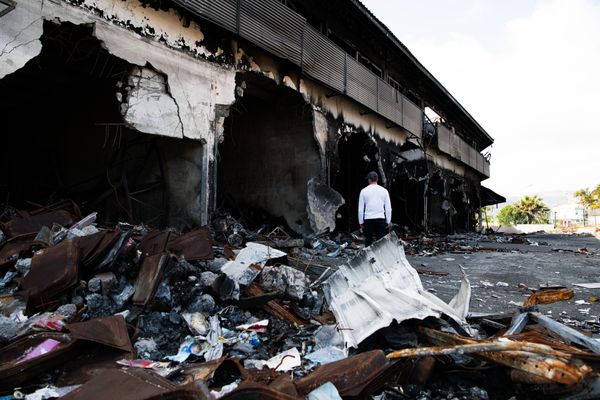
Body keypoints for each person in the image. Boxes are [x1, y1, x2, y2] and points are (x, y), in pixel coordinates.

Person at [358, 171, 392, 247]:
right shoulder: (384, 191)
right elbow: (388, 208)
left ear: (369, 180)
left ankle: (368, 257)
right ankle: (380, 257)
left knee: (368, 241)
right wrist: (388, 221)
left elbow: (361, 209)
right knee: (380, 242)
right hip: (380, 219)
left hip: (368, 219)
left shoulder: (363, 191)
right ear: (377, 179)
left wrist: (361, 221)